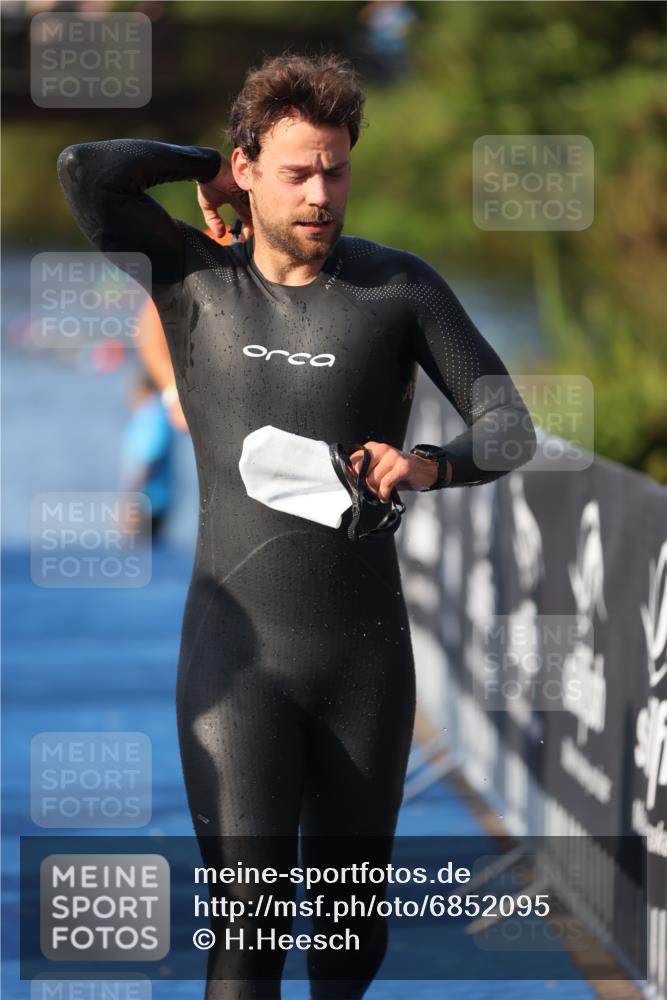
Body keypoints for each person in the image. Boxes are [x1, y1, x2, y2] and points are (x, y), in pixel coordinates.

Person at [57, 51, 536, 999]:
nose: (321, 193)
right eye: (296, 171)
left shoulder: (398, 291)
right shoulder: (191, 280)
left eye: (336, 169)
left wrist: (428, 465)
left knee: (349, 948)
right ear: (247, 170)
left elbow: (510, 426)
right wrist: (203, 164)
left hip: (364, 665)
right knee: (246, 943)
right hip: (239, 673)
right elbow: (86, 169)